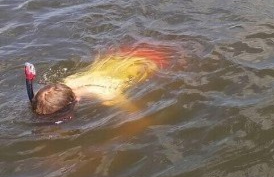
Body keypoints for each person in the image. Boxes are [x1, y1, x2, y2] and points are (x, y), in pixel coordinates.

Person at [24, 46, 170, 121]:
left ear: (75, 101)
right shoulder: (65, 84)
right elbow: (45, 98)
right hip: (117, 57)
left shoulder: (107, 94)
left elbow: (135, 113)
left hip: (149, 61)